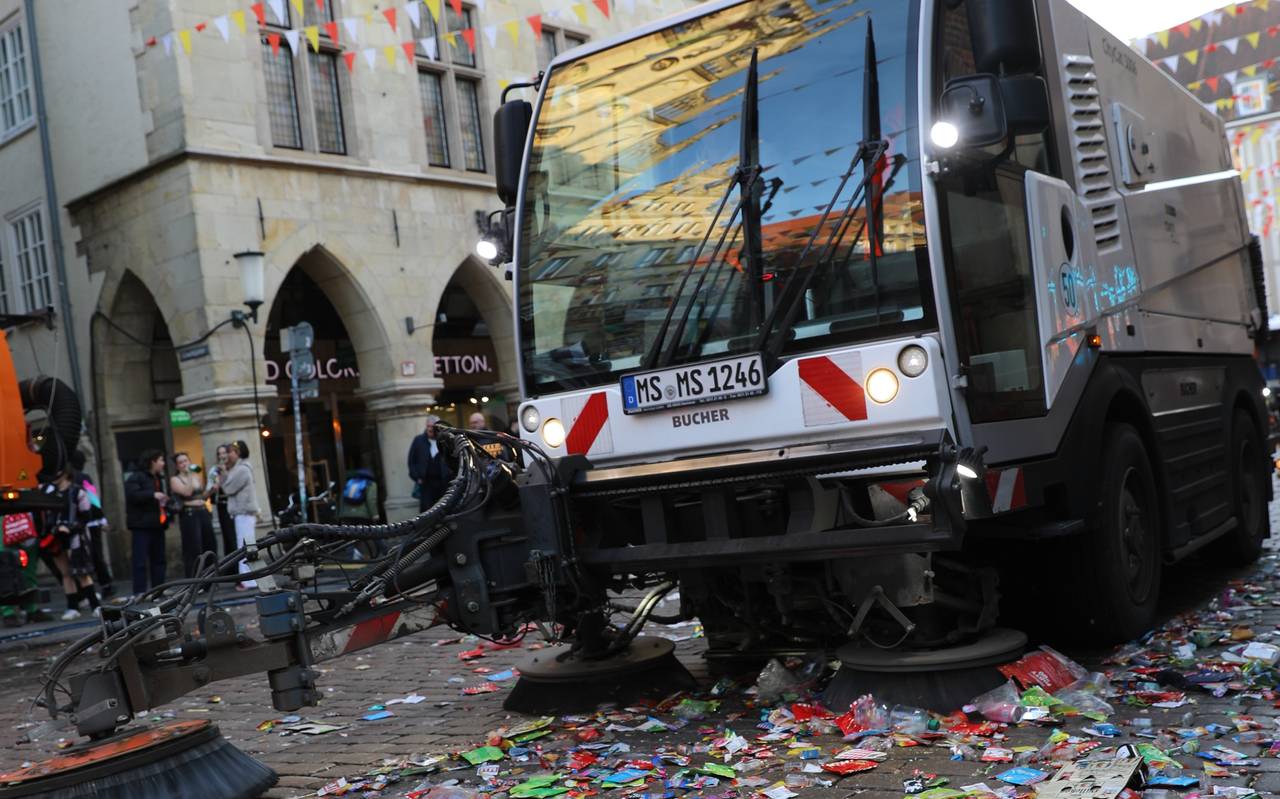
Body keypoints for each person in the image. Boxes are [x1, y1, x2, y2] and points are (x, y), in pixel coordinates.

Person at [41, 468, 101, 620]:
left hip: (76, 536)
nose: (54, 477)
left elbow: (86, 515)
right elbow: (47, 516)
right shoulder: (50, 493)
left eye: (58, 473)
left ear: (66, 473)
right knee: (66, 573)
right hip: (57, 537)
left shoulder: (77, 492)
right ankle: (72, 607)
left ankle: (95, 605)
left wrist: (71, 527)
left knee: (82, 572)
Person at [124, 450, 170, 596]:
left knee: (159, 559)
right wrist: (152, 495)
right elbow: (132, 496)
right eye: (161, 460)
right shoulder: (136, 477)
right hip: (141, 525)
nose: (163, 464)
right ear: (153, 461)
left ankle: (159, 590)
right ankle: (140, 591)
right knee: (140, 560)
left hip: (157, 524)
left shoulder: (158, 478)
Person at [69, 451, 114, 598]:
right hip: (92, 521)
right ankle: (105, 584)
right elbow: (93, 499)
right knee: (96, 554)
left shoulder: (70, 479)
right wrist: (101, 518)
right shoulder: (83, 477)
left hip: (77, 523)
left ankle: (88, 588)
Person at [219, 440, 260, 590]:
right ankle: (250, 579)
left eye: (230, 452)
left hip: (244, 512)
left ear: (238, 453)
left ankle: (248, 580)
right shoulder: (239, 468)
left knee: (244, 546)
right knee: (246, 545)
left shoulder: (242, 469)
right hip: (242, 512)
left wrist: (223, 477)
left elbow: (229, 489)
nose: (228, 455)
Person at [170, 452, 217, 579]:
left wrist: (212, 490)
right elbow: (187, 492)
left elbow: (201, 497)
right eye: (181, 462)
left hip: (202, 511)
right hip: (189, 515)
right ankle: (195, 580)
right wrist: (190, 475)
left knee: (209, 544)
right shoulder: (175, 479)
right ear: (177, 466)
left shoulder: (196, 477)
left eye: (186, 461)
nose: (184, 464)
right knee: (194, 547)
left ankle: (210, 579)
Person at [407, 416, 450, 512]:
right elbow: (411, 461)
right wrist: (417, 477)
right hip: (426, 484)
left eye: (432, 427)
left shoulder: (445, 441)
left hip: (444, 484)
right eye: (428, 426)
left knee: (444, 511)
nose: (430, 429)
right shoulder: (418, 441)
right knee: (427, 512)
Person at [208, 444, 236, 558]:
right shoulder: (215, 469)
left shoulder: (235, 468)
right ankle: (230, 568)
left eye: (224, 453)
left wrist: (225, 473)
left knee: (236, 536)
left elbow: (233, 486)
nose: (222, 456)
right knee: (228, 536)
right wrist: (214, 486)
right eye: (219, 453)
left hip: (235, 504)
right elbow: (210, 487)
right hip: (223, 504)